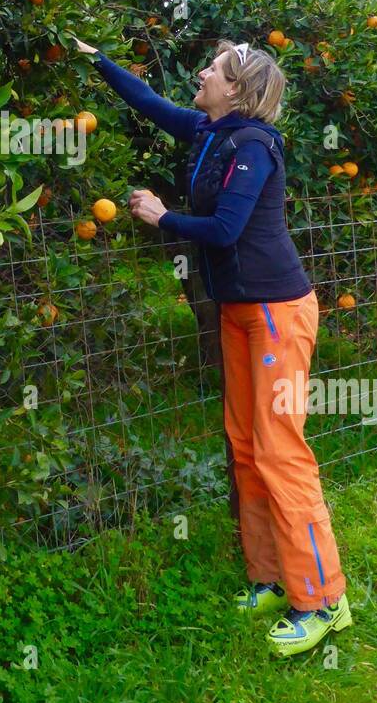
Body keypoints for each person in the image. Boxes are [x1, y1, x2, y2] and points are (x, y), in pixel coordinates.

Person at [72, 34, 351, 657]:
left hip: (278, 313)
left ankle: (325, 599)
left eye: (214, 69)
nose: (201, 73)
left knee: (281, 451)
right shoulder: (208, 129)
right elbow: (148, 102)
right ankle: (271, 577)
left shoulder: (253, 144)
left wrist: (161, 217)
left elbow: (226, 229)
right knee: (246, 445)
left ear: (238, 90)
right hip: (239, 310)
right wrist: (96, 59)